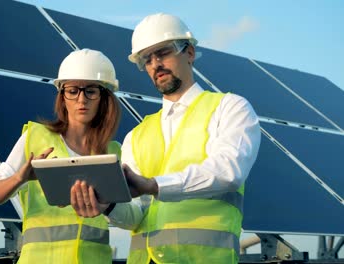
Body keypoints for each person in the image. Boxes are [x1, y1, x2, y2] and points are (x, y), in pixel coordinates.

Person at [71, 13, 261, 263]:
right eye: (146, 59)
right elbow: (136, 215)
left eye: (162, 53)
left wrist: (154, 185)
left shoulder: (230, 108)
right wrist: (108, 206)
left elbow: (228, 171)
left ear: (190, 53)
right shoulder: (137, 135)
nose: (155, 64)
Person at [0, 48, 122, 264]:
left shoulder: (114, 152)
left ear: (104, 98)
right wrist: (21, 178)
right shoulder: (35, 138)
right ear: (62, 96)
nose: (81, 99)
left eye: (91, 91)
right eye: (72, 90)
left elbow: (131, 216)